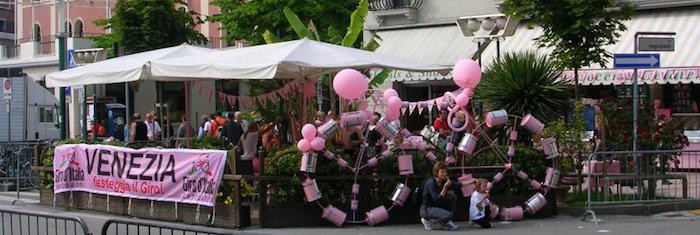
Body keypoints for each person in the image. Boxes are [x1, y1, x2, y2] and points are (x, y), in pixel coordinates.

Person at [420, 161, 460, 230]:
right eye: (442, 172)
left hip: (437, 206)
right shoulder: (431, 183)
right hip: (428, 209)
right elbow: (437, 200)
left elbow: (457, 184)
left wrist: (472, 181)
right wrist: (445, 187)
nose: (444, 174)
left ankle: (444, 221)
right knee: (448, 215)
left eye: (445, 172)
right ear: (436, 172)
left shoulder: (443, 181)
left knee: (452, 197)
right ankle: (427, 220)